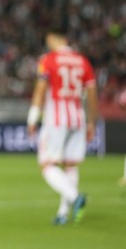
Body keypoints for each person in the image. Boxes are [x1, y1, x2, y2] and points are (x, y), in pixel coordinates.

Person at [26, 27, 98, 226]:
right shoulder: (83, 61)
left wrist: (32, 118)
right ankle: (63, 213)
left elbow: (40, 90)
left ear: (55, 37)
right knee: (70, 165)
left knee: (47, 165)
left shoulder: (48, 59)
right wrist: (92, 121)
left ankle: (75, 197)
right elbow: (92, 94)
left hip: (56, 118)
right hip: (77, 117)